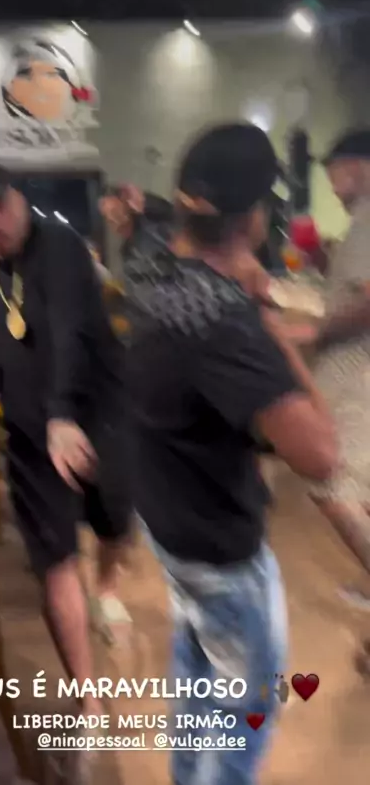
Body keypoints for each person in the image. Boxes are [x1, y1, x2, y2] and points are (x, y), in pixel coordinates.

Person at [124, 123, 337, 785]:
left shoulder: (146, 263)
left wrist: (244, 287)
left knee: (198, 671)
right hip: (219, 545)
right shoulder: (230, 324)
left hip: (166, 521)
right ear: (254, 218)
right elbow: (320, 455)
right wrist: (273, 329)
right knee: (247, 712)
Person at [0, 161, 131, 712]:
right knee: (56, 562)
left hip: (98, 414)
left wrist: (62, 416)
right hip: (30, 431)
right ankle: (88, 703)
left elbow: (68, 331)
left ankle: (107, 588)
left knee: (114, 520)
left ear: (18, 197)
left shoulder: (59, 246)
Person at [296, 130, 370, 609]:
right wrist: (323, 260)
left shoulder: (368, 218)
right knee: (359, 485)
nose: (334, 188)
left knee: (329, 482)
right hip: (357, 372)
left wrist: (312, 331)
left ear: (357, 166)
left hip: (354, 373)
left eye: (334, 176)